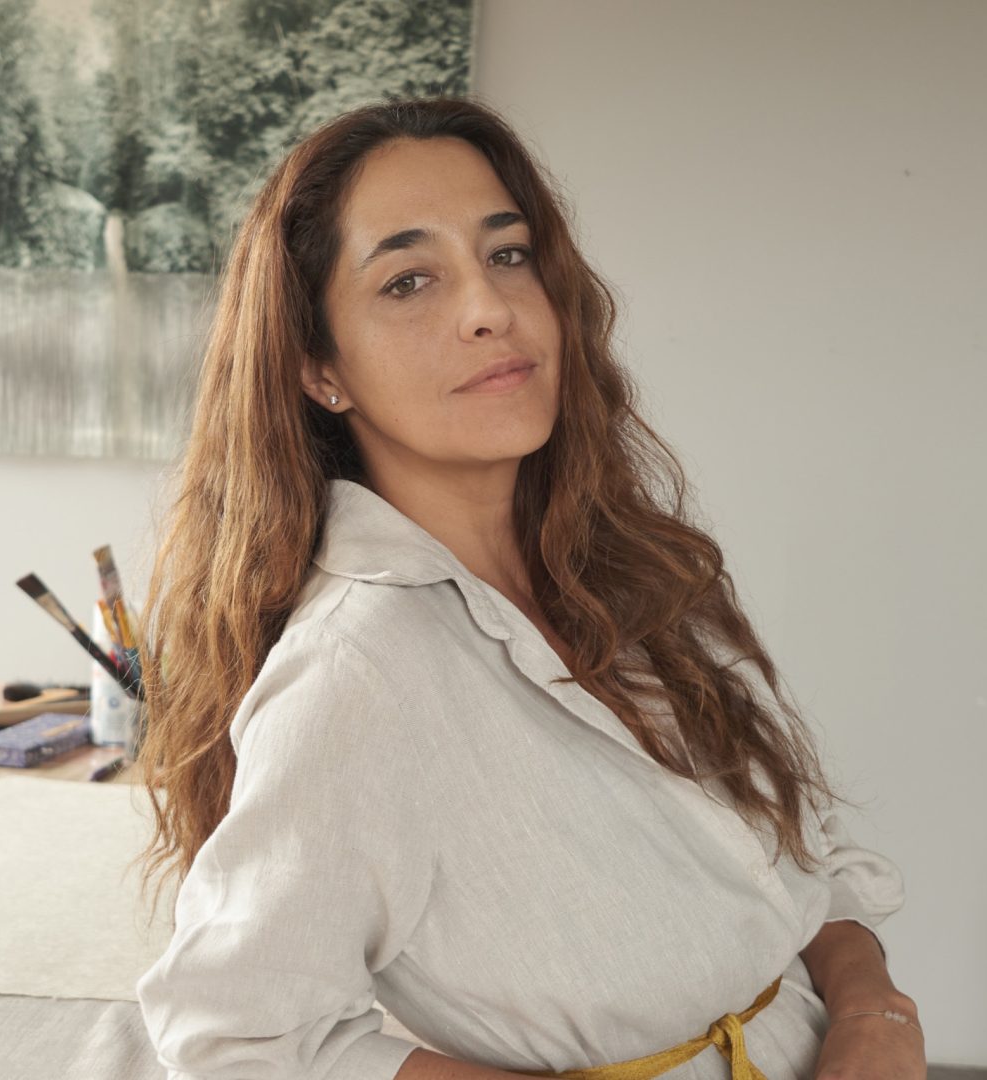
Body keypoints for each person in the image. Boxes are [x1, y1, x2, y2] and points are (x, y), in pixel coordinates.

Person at [129, 96, 923, 1080]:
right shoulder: (356, 670)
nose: (489, 309)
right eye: (408, 280)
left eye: (508, 255)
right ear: (321, 368)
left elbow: (797, 858)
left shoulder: (632, 577)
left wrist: (874, 1012)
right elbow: (234, 1037)